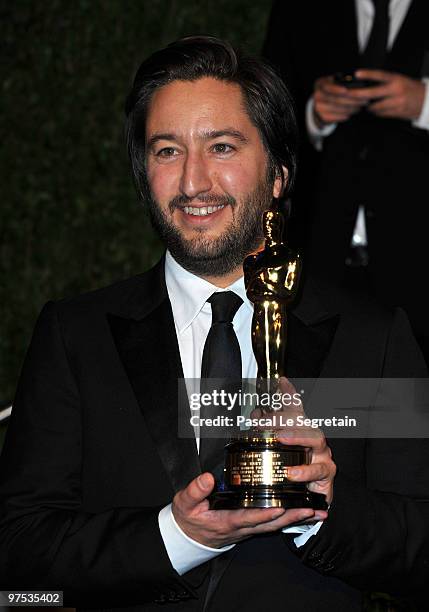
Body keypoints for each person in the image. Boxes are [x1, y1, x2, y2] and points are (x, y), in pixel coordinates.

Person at [0, 36, 428, 612]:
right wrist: (177, 538)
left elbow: (421, 544)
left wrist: (326, 503)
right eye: (167, 151)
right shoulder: (75, 336)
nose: (194, 183)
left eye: (222, 147)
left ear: (277, 175)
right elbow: (19, 549)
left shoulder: (372, 338)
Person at [263, 0, 429, 363]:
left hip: (419, 265)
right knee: (327, 408)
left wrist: (424, 103)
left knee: (415, 410)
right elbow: (267, 114)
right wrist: (313, 115)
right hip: (320, 257)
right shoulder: (300, 9)